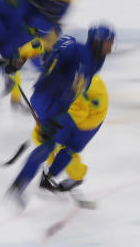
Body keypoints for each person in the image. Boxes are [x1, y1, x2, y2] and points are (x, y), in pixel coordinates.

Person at [8, 27, 113, 204]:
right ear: (96, 42)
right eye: (107, 43)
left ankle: (37, 180)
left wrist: (19, 56)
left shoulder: (78, 49)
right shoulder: (85, 61)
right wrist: (58, 118)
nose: (110, 47)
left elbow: (41, 44)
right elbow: (72, 92)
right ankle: (21, 183)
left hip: (47, 99)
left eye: (111, 43)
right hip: (52, 102)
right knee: (50, 144)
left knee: (56, 143)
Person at [34, 74, 109, 193]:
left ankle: (70, 175)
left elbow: (79, 112)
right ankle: (54, 167)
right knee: (47, 136)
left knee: (69, 148)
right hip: (81, 106)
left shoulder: (76, 86)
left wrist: (53, 125)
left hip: (90, 120)